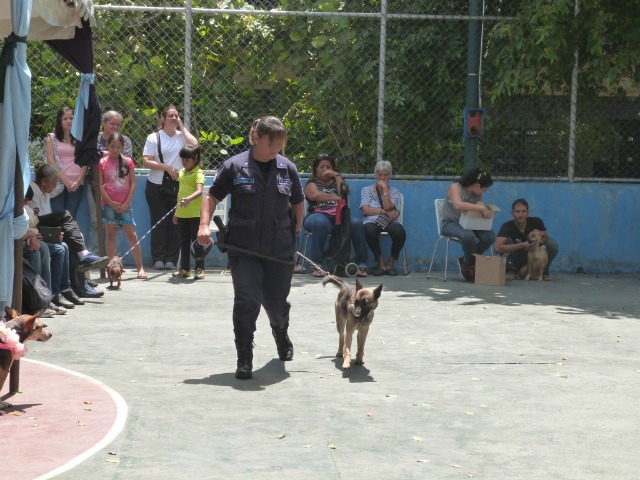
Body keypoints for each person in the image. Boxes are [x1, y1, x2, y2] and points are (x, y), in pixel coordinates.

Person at [197, 116, 304, 380]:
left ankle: (280, 331)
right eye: (271, 142)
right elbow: (211, 197)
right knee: (247, 300)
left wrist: (295, 231)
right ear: (256, 137)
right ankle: (244, 356)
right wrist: (203, 225)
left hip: (279, 251)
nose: (276, 148)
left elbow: (298, 202)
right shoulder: (234, 167)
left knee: (276, 303)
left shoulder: (287, 168)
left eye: (280, 143)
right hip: (244, 249)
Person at [26, 164, 108, 298]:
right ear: (44, 182)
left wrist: (57, 231)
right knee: (65, 215)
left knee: (73, 238)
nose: (54, 188)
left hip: (42, 224)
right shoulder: (33, 190)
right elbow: (35, 219)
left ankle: (78, 284)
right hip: (35, 226)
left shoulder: (45, 192)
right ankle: (82, 265)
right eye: (53, 184)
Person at [143, 105, 198, 271]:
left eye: (176, 116)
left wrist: (181, 126)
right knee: (159, 222)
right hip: (157, 185)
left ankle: (171, 259)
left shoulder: (182, 137)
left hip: (179, 186)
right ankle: (158, 258)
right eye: (171, 116)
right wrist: (166, 167)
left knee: (176, 222)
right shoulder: (154, 138)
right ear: (163, 118)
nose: (174, 118)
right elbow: (146, 161)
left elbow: (195, 145)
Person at [303, 153, 368, 278]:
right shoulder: (312, 182)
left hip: (339, 215)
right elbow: (315, 196)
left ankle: (361, 264)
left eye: (328, 166)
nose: (325, 169)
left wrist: (336, 175)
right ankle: (318, 264)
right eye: (321, 167)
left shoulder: (338, 180)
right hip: (318, 214)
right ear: (315, 169)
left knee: (356, 223)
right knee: (319, 223)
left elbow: (344, 192)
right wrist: (337, 198)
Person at [99, 133, 147, 280]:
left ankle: (140, 267)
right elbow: (100, 185)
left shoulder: (128, 162)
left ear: (123, 147)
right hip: (108, 204)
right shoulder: (101, 162)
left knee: (131, 234)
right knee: (110, 233)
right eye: (112, 146)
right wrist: (111, 202)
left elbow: (133, 183)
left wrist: (126, 202)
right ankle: (113, 267)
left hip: (125, 204)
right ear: (107, 146)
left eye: (118, 147)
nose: (115, 149)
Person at [87, 110, 132, 256]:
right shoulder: (94, 139)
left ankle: (115, 259)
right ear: (103, 123)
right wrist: (109, 154)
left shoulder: (124, 139)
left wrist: (102, 153)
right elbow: (89, 155)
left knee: (117, 225)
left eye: (118, 124)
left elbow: (126, 158)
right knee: (96, 222)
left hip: (118, 190)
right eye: (112, 123)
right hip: (95, 186)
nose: (115, 127)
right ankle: (94, 257)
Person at [441, 167, 495, 281]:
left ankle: (466, 261)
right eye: (484, 190)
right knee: (468, 236)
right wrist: (479, 207)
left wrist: (482, 206)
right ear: (476, 185)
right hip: (450, 223)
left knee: (490, 236)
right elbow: (458, 205)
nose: (483, 193)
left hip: (469, 224)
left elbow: (477, 206)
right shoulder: (455, 187)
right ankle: (470, 266)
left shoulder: (477, 193)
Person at [360, 160, 406, 276]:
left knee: (399, 231)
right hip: (372, 221)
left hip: (388, 222)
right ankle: (380, 263)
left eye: (386, 175)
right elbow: (365, 211)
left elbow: (387, 205)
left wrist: (385, 189)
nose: (382, 177)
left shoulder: (395, 192)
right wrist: (385, 212)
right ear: (376, 175)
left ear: (390, 176)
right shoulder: (366, 190)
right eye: (380, 174)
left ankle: (390, 264)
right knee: (369, 230)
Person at [494, 198, 559, 279]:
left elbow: (546, 239)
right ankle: (510, 270)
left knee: (552, 244)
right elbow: (497, 248)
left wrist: (539, 235)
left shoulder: (536, 222)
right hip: (516, 259)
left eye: (524, 211)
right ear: (512, 213)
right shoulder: (507, 226)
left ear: (528, 213)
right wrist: (521, 246)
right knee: (506, 241)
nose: (520, 215)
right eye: (517, 211)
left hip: (533, 257)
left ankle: (543, 272)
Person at [46, 106, 88, 219]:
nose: (69, 121)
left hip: (77, 184)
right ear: (60, 121)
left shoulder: (80, 138)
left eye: (71, 118)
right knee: (58, 217)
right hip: (58, 182)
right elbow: (50, 160)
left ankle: (68, 237)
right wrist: (66, 180)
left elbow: (85, 160)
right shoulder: (52, 138)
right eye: (65, 118)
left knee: (70, 218)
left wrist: (78, 181)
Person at [172, 144, 205, 279]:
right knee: (183, 242)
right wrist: (176, 213)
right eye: (182, 160)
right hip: (182, 214)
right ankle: (184, 269)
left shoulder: (198, 173)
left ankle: (200, 268)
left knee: (197, 242)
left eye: (187, 160)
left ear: (195, 159)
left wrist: (188, 199)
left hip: (195, 214)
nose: (184, 162)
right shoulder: (182, 173)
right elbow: (180, 194)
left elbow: (199, 191)